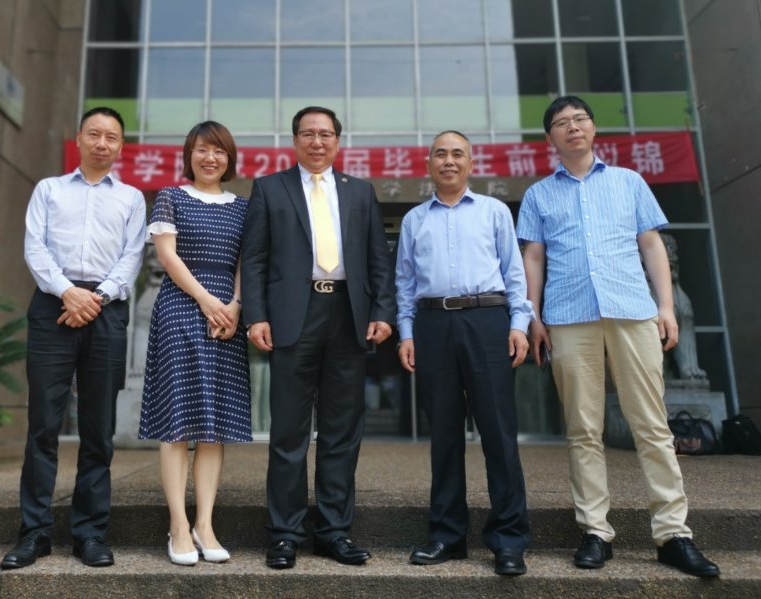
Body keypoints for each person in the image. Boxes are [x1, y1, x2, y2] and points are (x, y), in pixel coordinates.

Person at [517, 95, 720, 578]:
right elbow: (534, 258)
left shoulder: (629, 181)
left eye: (580, 119)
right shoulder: (538, 195)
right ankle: (595, 531)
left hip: (632, 310)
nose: (572, 127)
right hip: (569, 316)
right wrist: (533, 316)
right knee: (582, 429)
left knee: (651, 424)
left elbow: (651, 244)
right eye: (562, 123)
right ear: (550, 138)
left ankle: (673, 534)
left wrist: (666, 306)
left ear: (593, 128)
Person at [241, 106, 396, 569]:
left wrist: (382, 311)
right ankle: (284, 534)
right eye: (307, 134)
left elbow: (378, 258)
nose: (317, 141)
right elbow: (255, 259)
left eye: (325, 134)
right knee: (288, 431)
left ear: (337, 141)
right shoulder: (270, 188)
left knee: (341, 432)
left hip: (348, 314)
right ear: (294, 141)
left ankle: (333, 532)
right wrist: (256, 316)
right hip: (294, 315)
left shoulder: (360, 192)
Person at [1, 107, 146, 569]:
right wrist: (68, 292)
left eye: (112, 137)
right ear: (78, 138)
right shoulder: (49, 189)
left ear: (121, 146)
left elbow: (132, 257)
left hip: (106, 310)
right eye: (94, 134)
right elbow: (34, 247)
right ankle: (34, 533)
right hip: (53, 307)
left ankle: (90, 534)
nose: (102, 143)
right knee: (43, 426)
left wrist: (95, 298)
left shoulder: (131, 198)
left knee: (98, 430)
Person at [396, 130, 533, 576]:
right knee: (445, 437)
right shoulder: (414, 219)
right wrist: (406, 333)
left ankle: (508, 540)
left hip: (487, 320)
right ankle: (447, 536)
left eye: (458, 154)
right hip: (433, 324)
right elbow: (405, 283)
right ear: (429, 164)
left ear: (471, 163)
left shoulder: (494, 211)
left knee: (498, 434)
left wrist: (518, 325)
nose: (449, 161)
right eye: (441, 154)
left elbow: (514, 273)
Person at [139, 121, 252, 566]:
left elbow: (245, 262)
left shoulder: (243, 207)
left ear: (229, 158)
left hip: (227, 317)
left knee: (214, 424)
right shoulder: (171, 197)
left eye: (219, 151)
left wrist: (235, 306)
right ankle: (178, 525)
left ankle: (205, 524)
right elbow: (167, 256)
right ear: (189, 154)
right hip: (182, 309)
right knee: (178, 422)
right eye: (203, 149)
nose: (211, 158)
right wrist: (208, 302)